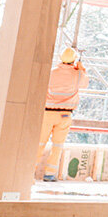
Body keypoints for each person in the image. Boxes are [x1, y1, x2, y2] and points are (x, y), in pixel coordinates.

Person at [36, 44, 88, 181]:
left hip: (47, 113)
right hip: (65, 115)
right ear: (74, 60)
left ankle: (29, 172)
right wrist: (81, 69)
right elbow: (85, 84)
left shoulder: (51, 72)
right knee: (57, 146)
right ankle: (49, 174)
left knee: (39, 143)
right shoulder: (78, 75)